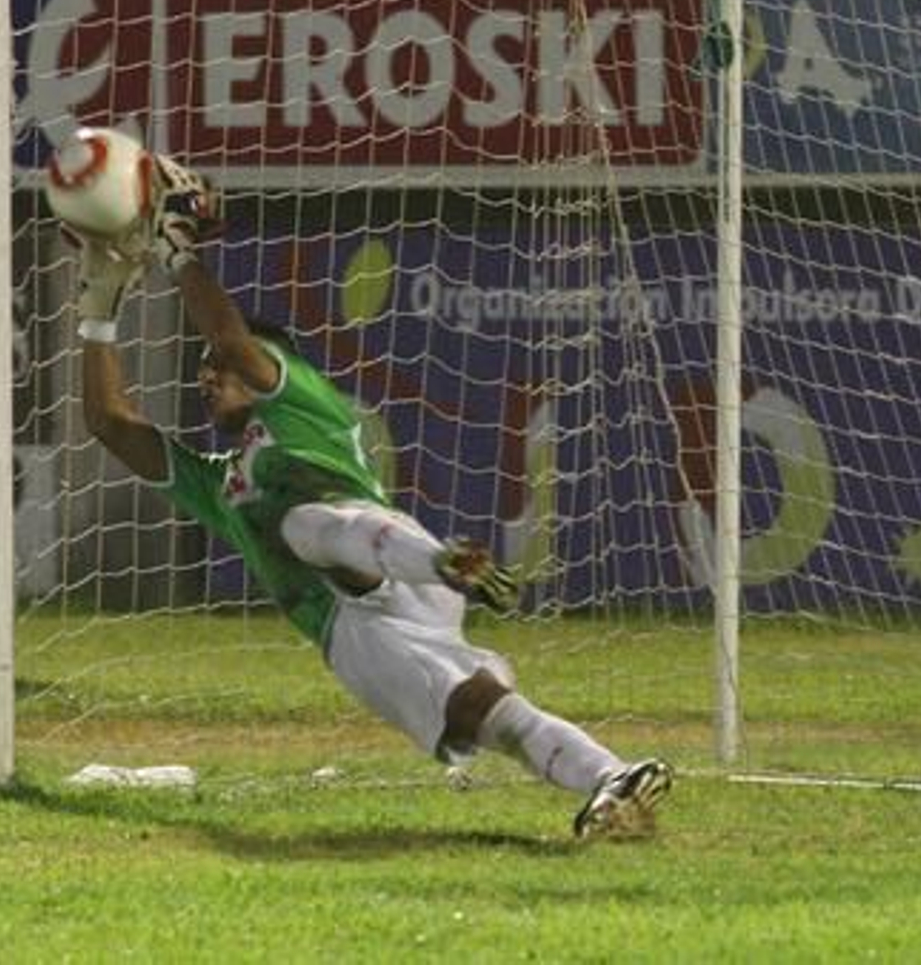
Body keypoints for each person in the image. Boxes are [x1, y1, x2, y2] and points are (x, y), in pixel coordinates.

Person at [68, 137, 672, 840]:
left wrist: (178, 252)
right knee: (478, 711)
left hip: (390, 560)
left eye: (220, 365)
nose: (209, 373)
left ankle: (445, 560)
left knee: (305, 526)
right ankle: (611, 780)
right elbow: (110, 423)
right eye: (203, 369)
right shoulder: (223, 484)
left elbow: (234, 345)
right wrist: (99, 310)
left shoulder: (305, 405)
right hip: (367, 617)